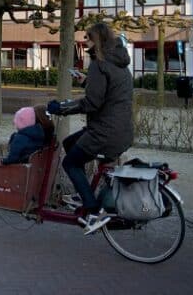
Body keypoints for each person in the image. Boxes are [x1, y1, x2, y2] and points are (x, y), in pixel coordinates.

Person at [47, 22, 133, 235]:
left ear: (98, 40)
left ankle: (93, 210)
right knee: (69, 143)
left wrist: (62, 108)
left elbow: (92, 103)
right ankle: (85, 191)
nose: (84, 41)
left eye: (87, 37)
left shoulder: (99, 64)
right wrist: (88, 81)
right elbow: (107, 93)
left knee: (70, 162)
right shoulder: (119, 63)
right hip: (122, 129)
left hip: (104, 132)